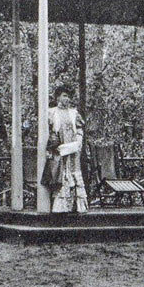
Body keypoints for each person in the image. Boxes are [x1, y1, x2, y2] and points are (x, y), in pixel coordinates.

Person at [47, 85, 87, 213]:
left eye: (69, 97)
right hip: (59, 149)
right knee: (61, 174)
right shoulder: (51, 112)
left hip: (73, 149)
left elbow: (79, 129)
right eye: (64, 96)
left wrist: (78, 142)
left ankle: (75, 206)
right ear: (57, 97)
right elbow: (48, 131)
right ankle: (60, 207)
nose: (67, 99)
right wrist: (54, 143)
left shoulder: (73, 113)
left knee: (74, 173)